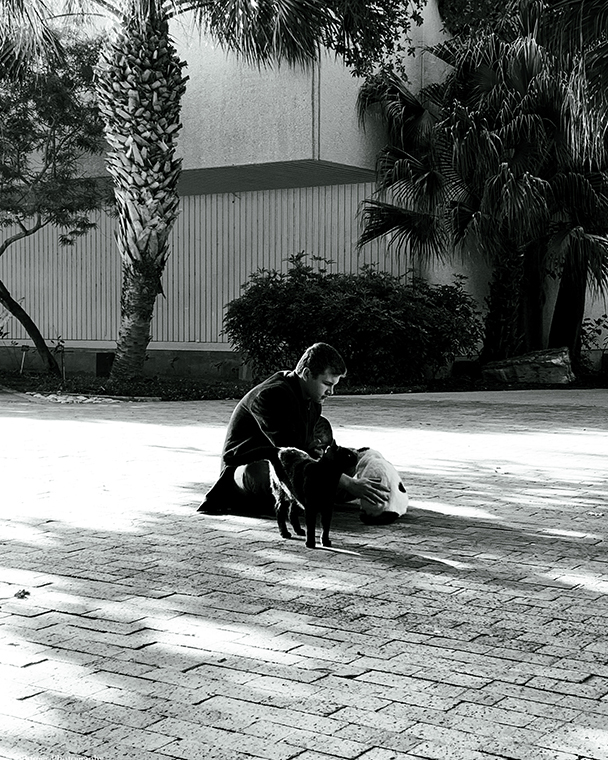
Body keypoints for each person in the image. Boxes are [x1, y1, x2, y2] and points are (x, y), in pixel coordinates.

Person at [198, 342, 390, 515]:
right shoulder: (271, 395)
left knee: (350, 461)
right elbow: (291, 454)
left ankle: (316, 494)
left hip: (290, 466)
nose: (331, 392)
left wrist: (325, 455)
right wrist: (349, 483)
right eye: (327, 384)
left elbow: (304, 449)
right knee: (266, 471)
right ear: (306, 374)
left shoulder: (312, 398)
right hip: (246, 472)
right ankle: (316, 494)